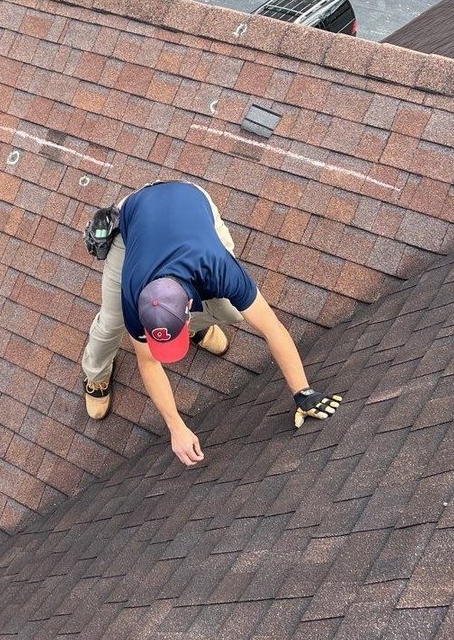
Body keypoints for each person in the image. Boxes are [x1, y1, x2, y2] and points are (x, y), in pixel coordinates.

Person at [81, 181, 342, 467]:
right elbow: (149, 362)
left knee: (234, 311)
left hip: (190, 202)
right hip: (136, 216)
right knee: (109, 323)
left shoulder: (218, 267)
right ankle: (95, 374)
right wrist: (175, 427)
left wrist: (303, 392)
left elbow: (272, 328)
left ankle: (190, 329)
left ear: (189, 307)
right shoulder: (133, 294)